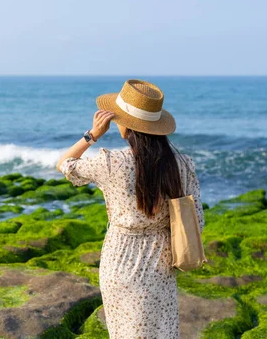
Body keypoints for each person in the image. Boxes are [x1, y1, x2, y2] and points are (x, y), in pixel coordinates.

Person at [56, 79, 205, 339]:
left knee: (125, 331)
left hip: (121, 259)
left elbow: (65, 164)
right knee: (161, 331)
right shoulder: (182, 164)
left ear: (127, 125)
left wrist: (91, 135)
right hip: (161, 260)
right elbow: (198, 220)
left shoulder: (112, 163)